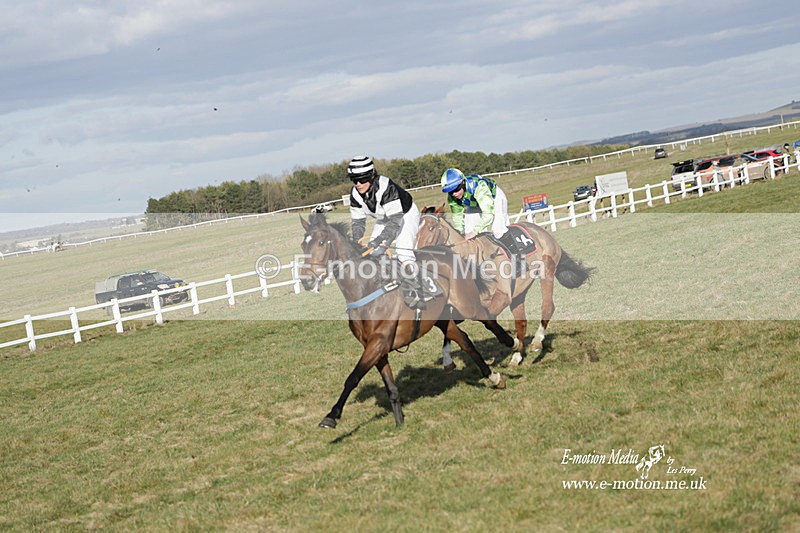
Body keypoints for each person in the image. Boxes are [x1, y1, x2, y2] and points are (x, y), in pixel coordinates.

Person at [348, 155, 419, 265]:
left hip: (405, 215)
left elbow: (396, 221)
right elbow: (358, 222)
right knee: (373, 254)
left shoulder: (386, 187)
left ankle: (418, 279)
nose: (358, 184)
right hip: (384, 219)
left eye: (362, 179)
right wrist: (356, 243)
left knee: (403, 253)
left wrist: (378, 240)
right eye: (354, 180)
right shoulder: (354, 194)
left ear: (372, 176)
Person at [440, 167, 522, 261]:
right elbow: (457, 218)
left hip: (493, 197)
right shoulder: (452, 198)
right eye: (450, 191)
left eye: (456, 189)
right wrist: (460, 234)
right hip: (475, 203)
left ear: (463, 182)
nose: (454, 194)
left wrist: (475, 231)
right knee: (467, 232)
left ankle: (518, 259)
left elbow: (488, 214)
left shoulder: (478, 186)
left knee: (498, 230)